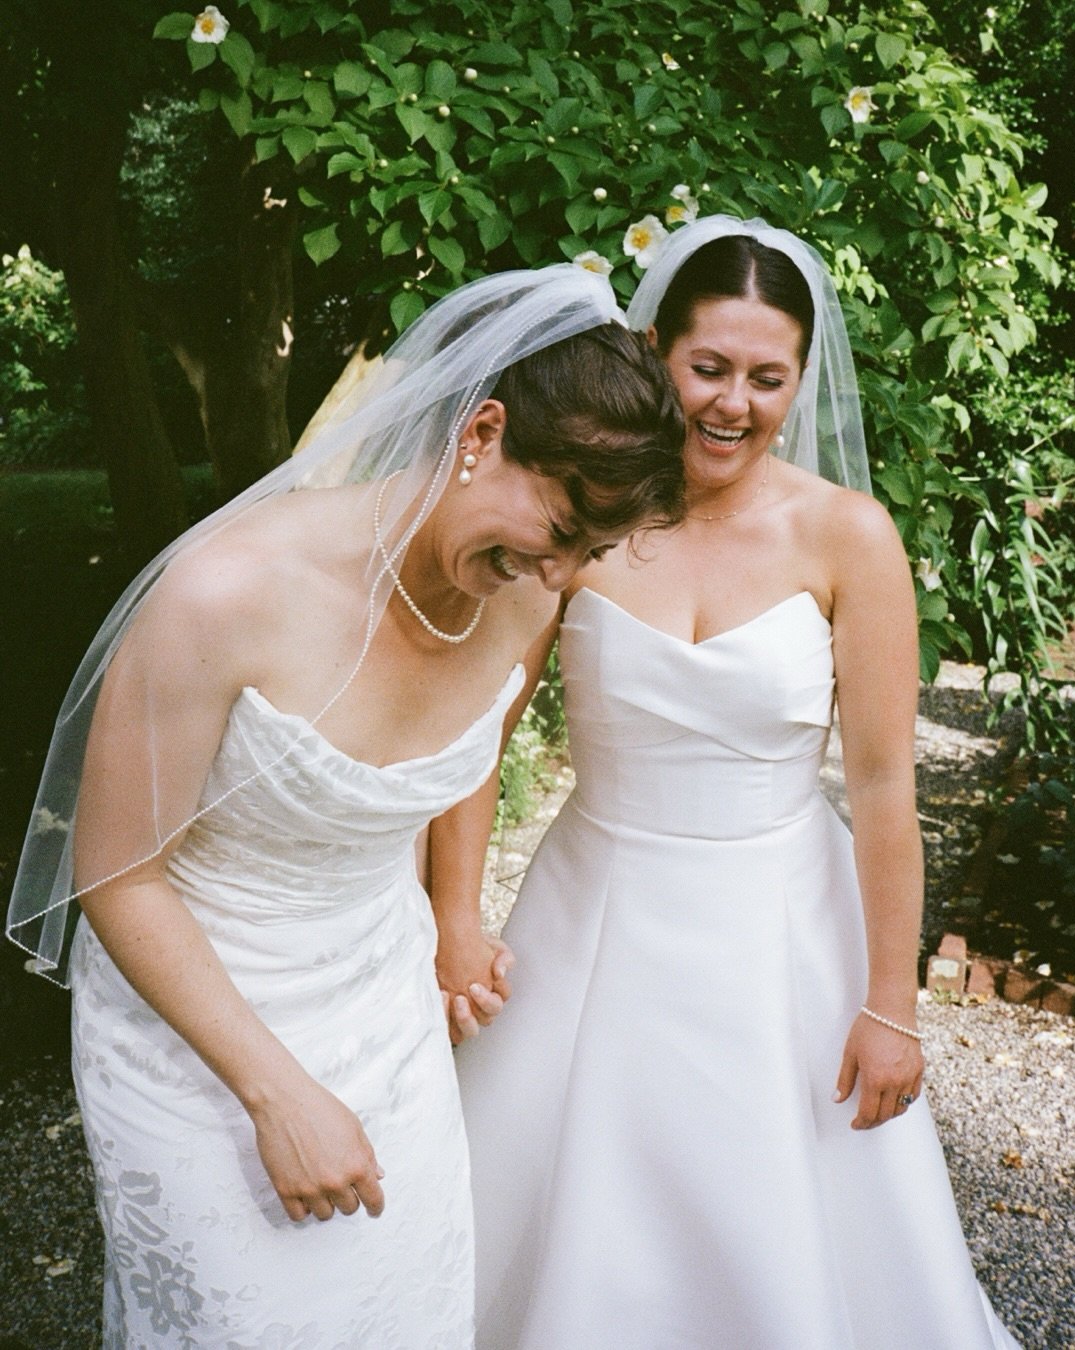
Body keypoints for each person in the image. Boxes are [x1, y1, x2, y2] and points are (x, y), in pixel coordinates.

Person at [5, 264, 685, 1345]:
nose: (558, 576)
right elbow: (118, 876)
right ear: (483, 431)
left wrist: (453, 925)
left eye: (587, 554)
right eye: (561, 527)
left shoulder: (515, 600)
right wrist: (276, 1095)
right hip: (199, 1028)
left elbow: (445, 781)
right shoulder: (224, 596)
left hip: (381, 1007)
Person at [444, 217, 1022, 1347]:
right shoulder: (590, 506)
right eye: (709, 368)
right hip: (592, 915)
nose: (734, 404)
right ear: (657, 350)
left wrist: (891, 1005)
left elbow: (884, 785)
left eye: (768, 378)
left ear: (800, 383)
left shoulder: (848, 536)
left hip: (783, 928)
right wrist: (454, 918)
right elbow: (480, 729)